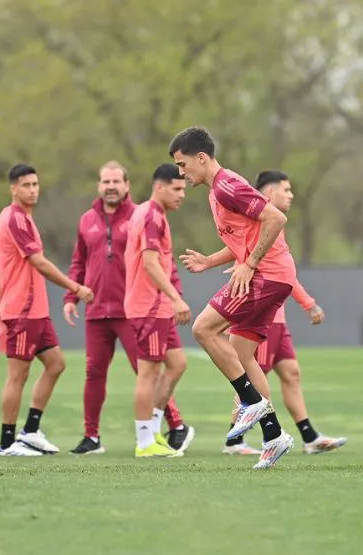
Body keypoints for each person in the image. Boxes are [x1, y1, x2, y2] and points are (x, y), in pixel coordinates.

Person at [170, 126, 295, 469]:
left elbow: (276, 217)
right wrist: (210, 261)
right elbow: (245, 234)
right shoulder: (216, 192)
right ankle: (274, 436)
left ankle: (250, 402)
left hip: (267, 274)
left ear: (201, 158)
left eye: (183, 165)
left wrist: (250, 263)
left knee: (203, 329)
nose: (182, 173)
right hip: (273, 275)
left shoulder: (226, 186)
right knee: (242, 352)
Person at [64, 161, 191, 455]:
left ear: (127, 184)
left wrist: (173, 296)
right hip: (129, 306)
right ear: (99, 185)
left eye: (116, 181)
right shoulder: (95, 220)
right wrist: (71, 295)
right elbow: (81, 262)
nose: (110, 187)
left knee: (171, 364)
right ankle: (138, 439)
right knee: (134, 372)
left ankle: (165, 427)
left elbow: (163, 263)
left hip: (136, 306)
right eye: (105, 181)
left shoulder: (140, 213)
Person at [217, 170, 346, 456]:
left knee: (291, 373)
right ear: (269, 192)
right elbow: (242, 251)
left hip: (278, 317)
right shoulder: (262, 216)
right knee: (249, 376)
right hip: (264, 315)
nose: (291, 195)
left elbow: (285, 272)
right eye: (286, 190)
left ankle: (309, 436)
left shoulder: (272, 221)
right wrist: (309, 303)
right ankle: (235, 439)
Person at [0, 164, 93, 457]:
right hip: (22, 310)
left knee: (56, 364)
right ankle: (6, 444)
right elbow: (40, 263)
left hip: (36, 311)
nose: (32, 189)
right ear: (13, 189)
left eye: (35, 184)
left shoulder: (22, 218)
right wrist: (76, 287)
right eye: (26, 185)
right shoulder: (15, 219)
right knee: (17, 375)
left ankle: (30, 431)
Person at [125, 164, 194, 457]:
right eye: (176, 189)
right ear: (159, 187)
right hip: (149, 307)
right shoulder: (152, 215)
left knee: (177, 363)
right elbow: (151, 262)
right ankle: (144, 442)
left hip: (157, 306)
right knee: (148, 374)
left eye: (184, 189)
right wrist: (175, 298)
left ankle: (153, 430)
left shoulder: (148, 213)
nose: (182, 195)